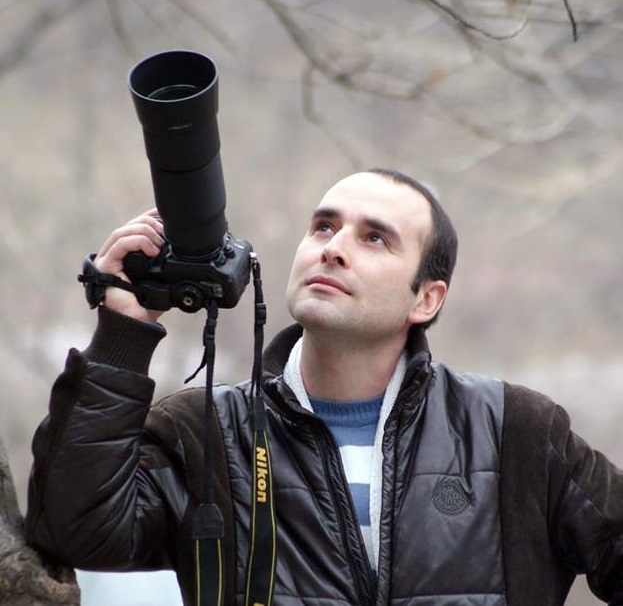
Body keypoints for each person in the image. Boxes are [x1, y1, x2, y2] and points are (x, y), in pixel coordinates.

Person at [26, 168, 623, 606]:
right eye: (323, 228)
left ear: (426, 298)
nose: (333, 249)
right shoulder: (206, 429)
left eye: (374, 238)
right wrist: (123, 338)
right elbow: (76, 531)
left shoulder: (517, 429)